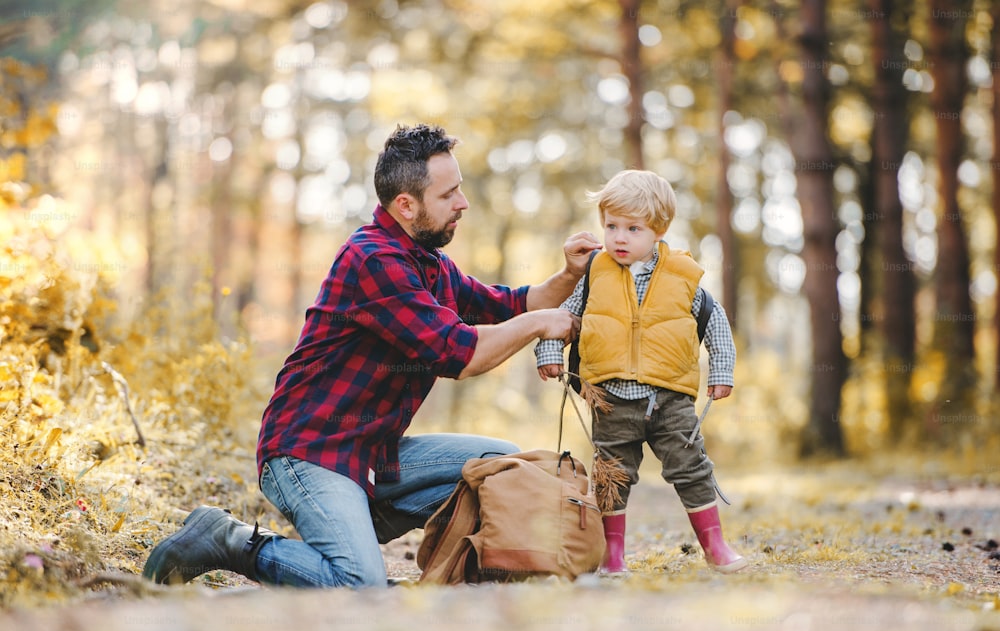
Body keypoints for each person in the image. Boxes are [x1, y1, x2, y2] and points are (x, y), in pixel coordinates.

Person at [142, 123, 602, 588]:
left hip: (372, 454)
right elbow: (461, 354)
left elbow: (514, 303)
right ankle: (229, 539)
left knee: (500, 464)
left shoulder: (431, 264)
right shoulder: (374, 260)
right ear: (406, 204)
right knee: (358, 586)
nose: (462, 203)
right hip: (308, 452)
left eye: (459, 189)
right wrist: (541, 325)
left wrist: (568, 273)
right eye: (449, 195)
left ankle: (445, 564)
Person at [535, 169, 747, 574]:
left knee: (691, 466)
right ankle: (612, 557)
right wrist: (549, 350)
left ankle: (715, 545)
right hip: (610, 398)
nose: (618, 237)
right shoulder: (595, 272)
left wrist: (722, 369)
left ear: (658, 230)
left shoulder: (683, 276)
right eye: (611, 226)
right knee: (612, 474)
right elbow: (563, 316)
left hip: (669, 397)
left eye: (632, 228)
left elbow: (714, 320)